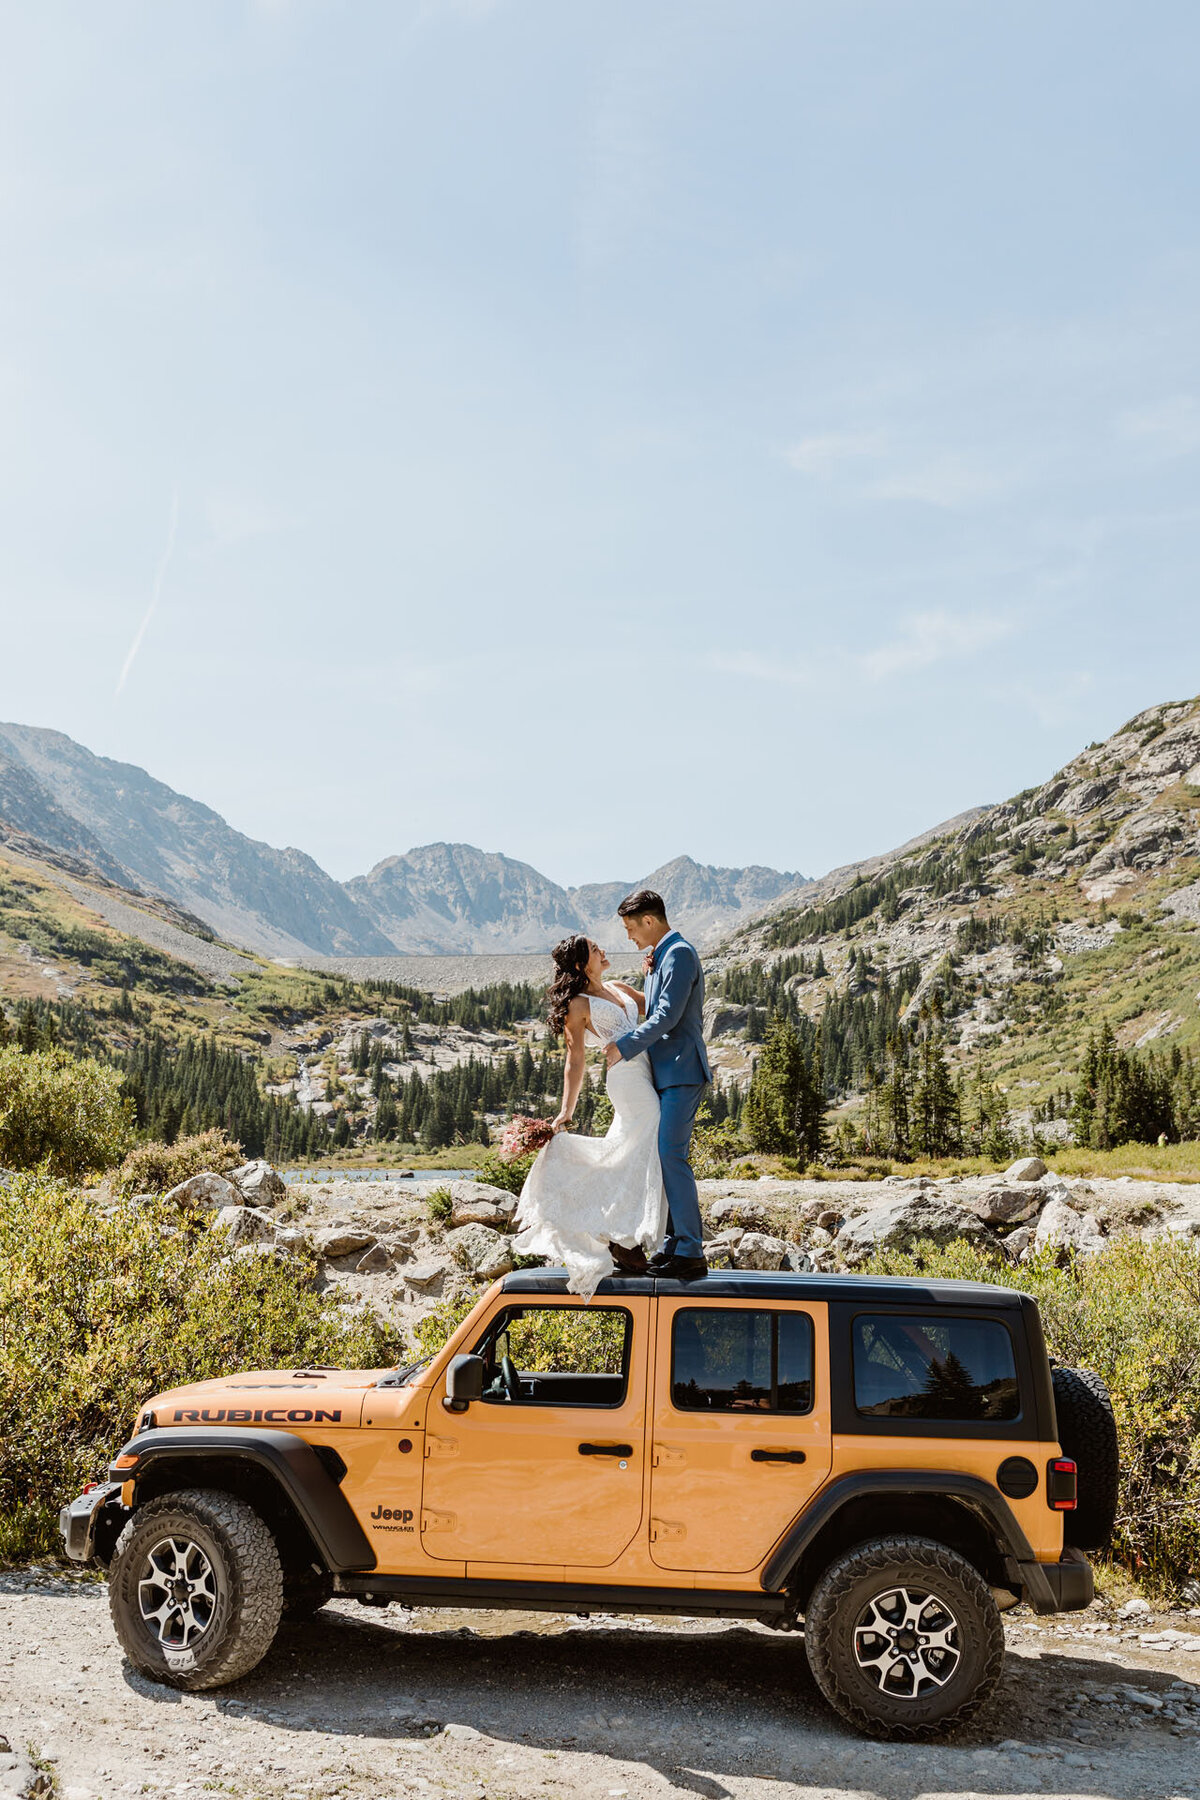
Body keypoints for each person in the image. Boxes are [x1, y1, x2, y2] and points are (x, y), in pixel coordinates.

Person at [511, 933, 667, 1299]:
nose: (603, 950)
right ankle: (621, 1236)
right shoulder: (578, 1006)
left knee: (629, 1151)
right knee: (649, 1137)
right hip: (627, 1078)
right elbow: (575, 1060)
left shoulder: (619, 986)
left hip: (651, 1070)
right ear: (582, 965)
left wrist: (656, 969)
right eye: (595, 949)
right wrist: (566, 1110)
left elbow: (659, 1007)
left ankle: (617, 1234)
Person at [605, 889, 711, 1281]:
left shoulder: (679, 953)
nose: (630, 937)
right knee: (659, 1155)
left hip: (683, 1071)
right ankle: (672, 1244)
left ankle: (691, 1250)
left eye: (632, 928)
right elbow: (657, 1006)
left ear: (649, 921)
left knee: (671, 1155)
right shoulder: (662, 956)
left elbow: (668, 1015)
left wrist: (625, 1047)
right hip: (664, 1073)